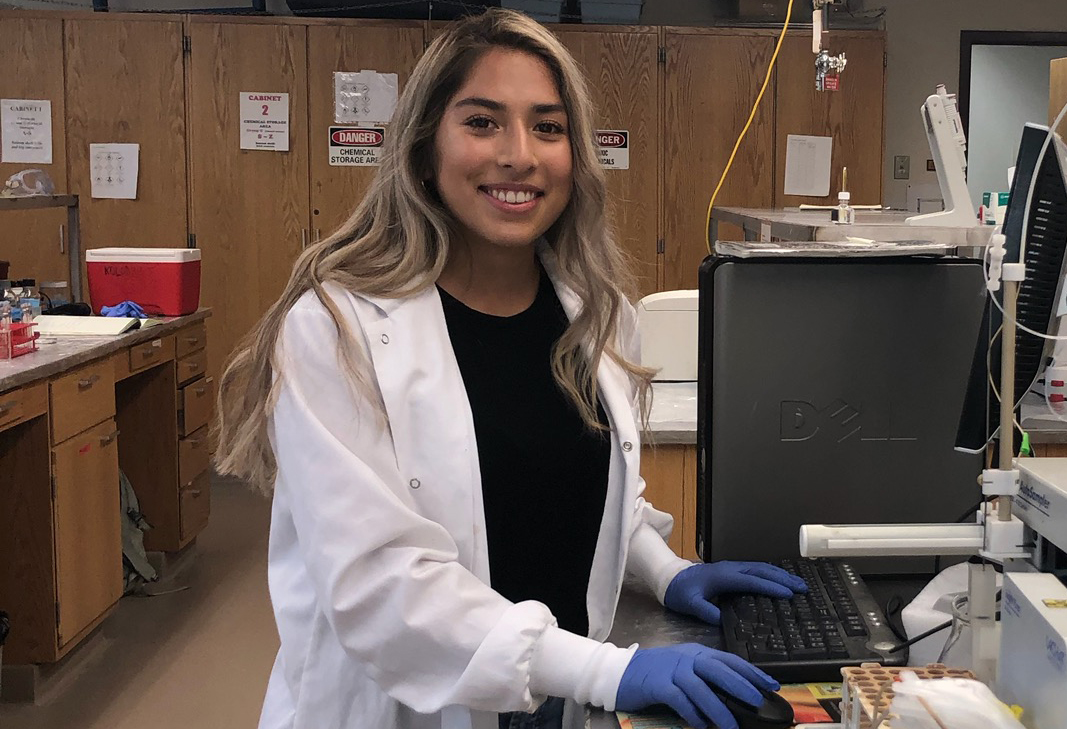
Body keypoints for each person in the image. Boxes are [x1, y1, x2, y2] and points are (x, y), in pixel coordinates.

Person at [215, 10, 804, 729]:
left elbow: (587, 487)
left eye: (548, 127)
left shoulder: (596, 312)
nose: (519, 154)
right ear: (425, 149)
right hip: (409, 707)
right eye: (483, 122)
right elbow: (379, 584)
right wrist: (606, 669)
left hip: (557, 695)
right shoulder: (336, 329)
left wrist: (665, 567)